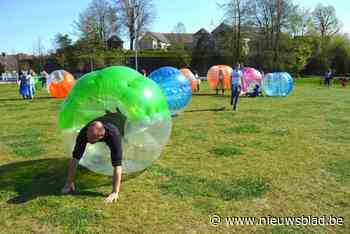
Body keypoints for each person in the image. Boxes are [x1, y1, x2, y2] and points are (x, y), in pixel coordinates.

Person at [62, 107, 127, 203]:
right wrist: (68, 183)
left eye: (91, 139)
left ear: (100, 137)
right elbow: (75, 159)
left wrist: (115, 192)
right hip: (106, 120)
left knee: (123, 131)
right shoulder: (84, 133)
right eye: (87, 138)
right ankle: (109, 114)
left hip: (119, 121)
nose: (88, 140)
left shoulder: (114, 136)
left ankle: (117, 113)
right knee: (77, 153)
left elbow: (117, 166)